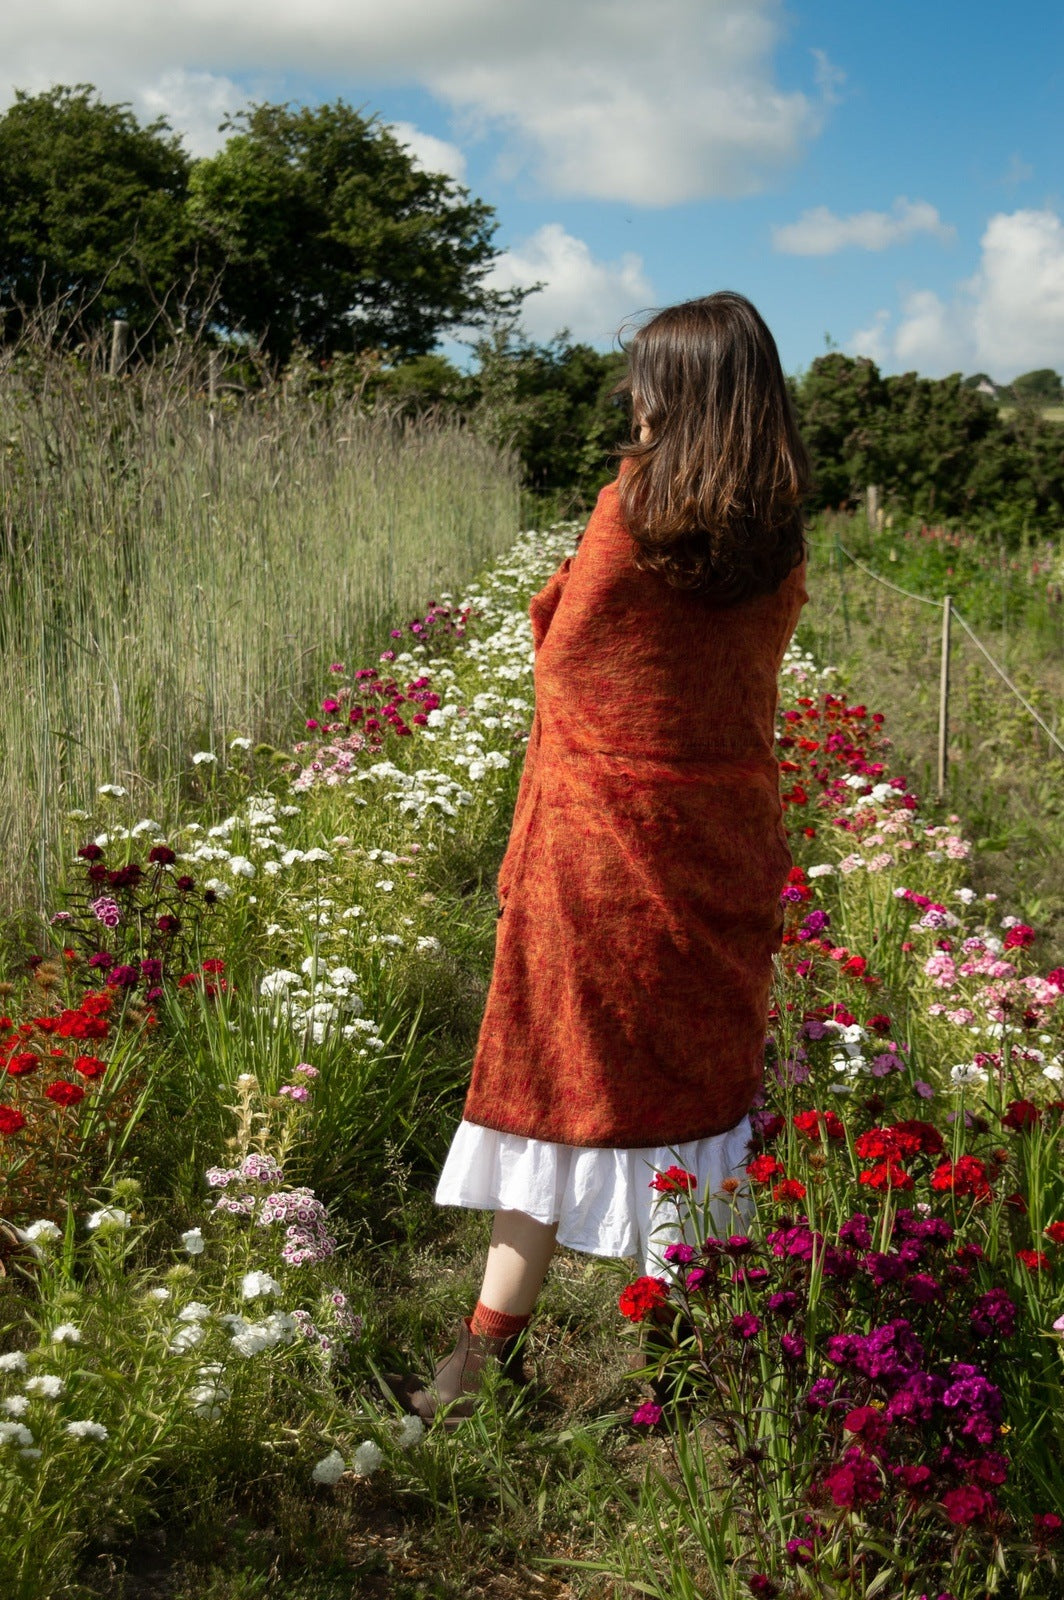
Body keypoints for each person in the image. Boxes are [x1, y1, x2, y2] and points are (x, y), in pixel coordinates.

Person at [388, 291, 811, 1426]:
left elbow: (573, 665)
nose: (630, 395)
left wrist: (549, 604)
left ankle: (480, 1357)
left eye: (643, 379)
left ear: (673, 393)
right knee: (693, 1102)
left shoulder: (627, 510)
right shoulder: (777, 538)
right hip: (720, 842)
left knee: (549, 1089)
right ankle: (670, 1363)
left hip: (597, 855)